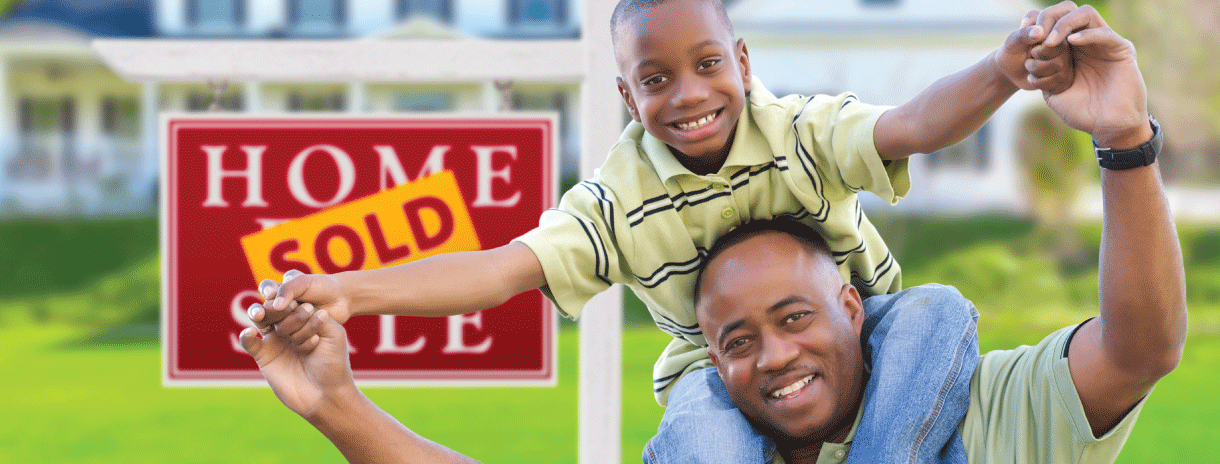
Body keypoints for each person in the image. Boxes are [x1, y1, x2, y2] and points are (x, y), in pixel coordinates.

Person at [241, 4, 1179, 463]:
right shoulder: (618, 199)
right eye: (656, 81)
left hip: (889, 320)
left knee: (935, 311)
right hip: (699, 380)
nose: (687, 96)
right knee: (695, 427)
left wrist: (1024, 81)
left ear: (742, 61)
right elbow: (500, 271)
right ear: (627, 96)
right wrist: (347, 322)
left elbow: (915, 125)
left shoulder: (802, 132)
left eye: (705, 67)